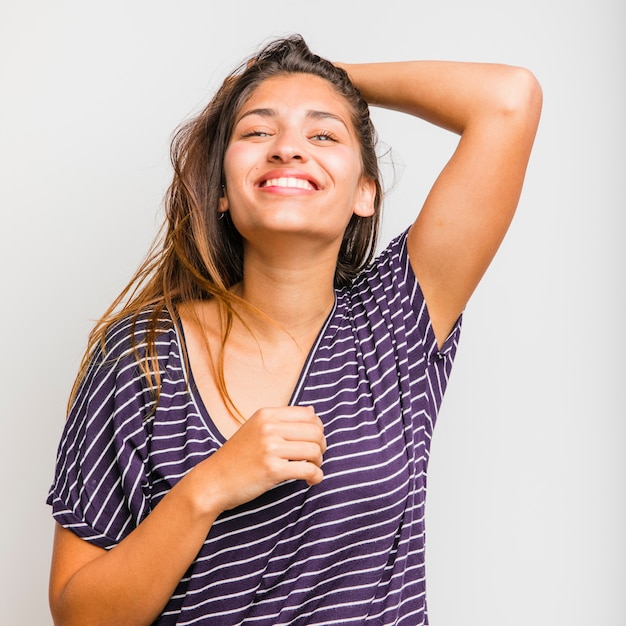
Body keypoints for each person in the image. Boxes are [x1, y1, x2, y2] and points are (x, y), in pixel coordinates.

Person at [47, 35, 542, 625]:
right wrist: (208, 488)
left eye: (324, 135)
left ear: (365, 192)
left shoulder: (396, 325)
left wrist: (325, 75)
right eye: (258, 132)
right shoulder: (140, 355)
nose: (287, 148)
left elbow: (509, 99)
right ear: (222, 192)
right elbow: (81, 617)